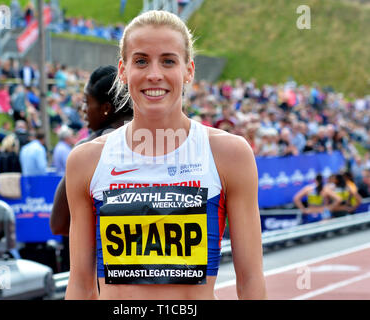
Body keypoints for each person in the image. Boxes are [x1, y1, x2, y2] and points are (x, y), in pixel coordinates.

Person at [64, 10, 266, 300]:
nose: (154, 74)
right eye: (141, 61)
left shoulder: (229, 154)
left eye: (168, 61)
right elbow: (81, 286)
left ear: (189, 70)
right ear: (123, 70)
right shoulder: (86, 161)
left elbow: (250, 283)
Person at [50, 65, 133, 236]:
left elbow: (59, 223)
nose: (83, 110)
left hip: (104, 257)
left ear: (106, 108)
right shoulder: (162, 137)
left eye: (87, 102)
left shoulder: (88, 150)